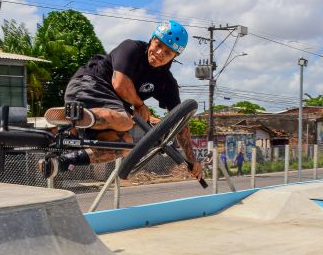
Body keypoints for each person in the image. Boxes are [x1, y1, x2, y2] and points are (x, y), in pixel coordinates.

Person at [39, 20, 202, 181]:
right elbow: (120, 83)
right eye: (158, 45)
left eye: (167, 52)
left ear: (175, 56)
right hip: (88, 84)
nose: (159, 53)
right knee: (125, 121)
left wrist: (192, 159)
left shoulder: (167, 83)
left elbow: (180, 122)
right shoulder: (132, 48)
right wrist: (140, 104)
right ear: (152, 39)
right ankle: (75, 119)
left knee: (123, 145)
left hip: (108, 110)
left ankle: (61, 161)